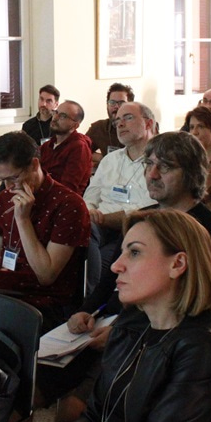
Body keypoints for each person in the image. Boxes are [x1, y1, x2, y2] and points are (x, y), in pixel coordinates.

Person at [0, 209, 211, 422]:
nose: (116, 265)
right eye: (122, 252)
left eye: (135, 252)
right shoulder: (131, 325)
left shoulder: (203, 351)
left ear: (177, 264)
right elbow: (95, 416)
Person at [0, 131, 89, 329]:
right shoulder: (2, 199)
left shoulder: (69, 205)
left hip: (45, 300)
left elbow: (46, 275)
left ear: (34, 165)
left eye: (14, 178)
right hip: (7, 291)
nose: (8, 187)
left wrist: (23, 219)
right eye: (2, 179)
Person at [83, 101, 157, 305]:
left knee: (97, 262)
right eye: (117, 121)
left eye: (128, 118)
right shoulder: (110, 160)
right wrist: (91, 212)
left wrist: (100, 218)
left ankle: (90, 305)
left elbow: (146, 211)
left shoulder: (158, 163)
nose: (120, 124)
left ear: (148, 123)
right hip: (97, 227)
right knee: (76, 246)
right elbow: (90, 197)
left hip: (134, 232)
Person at [39, 100, 93, 195]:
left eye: (63, 116)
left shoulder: (79, 147)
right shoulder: (48, 145)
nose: (55, 118)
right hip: (42, 194)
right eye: (56, 112)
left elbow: (68, 188)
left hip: (62, 200)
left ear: (75, 125)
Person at [85, 83, 134, 169]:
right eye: (112, 102)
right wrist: (102, 158)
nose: (116, 107)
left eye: (121, 103)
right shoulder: (99, 127)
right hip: (109, 174)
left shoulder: (139, 128)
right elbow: (82, 151)